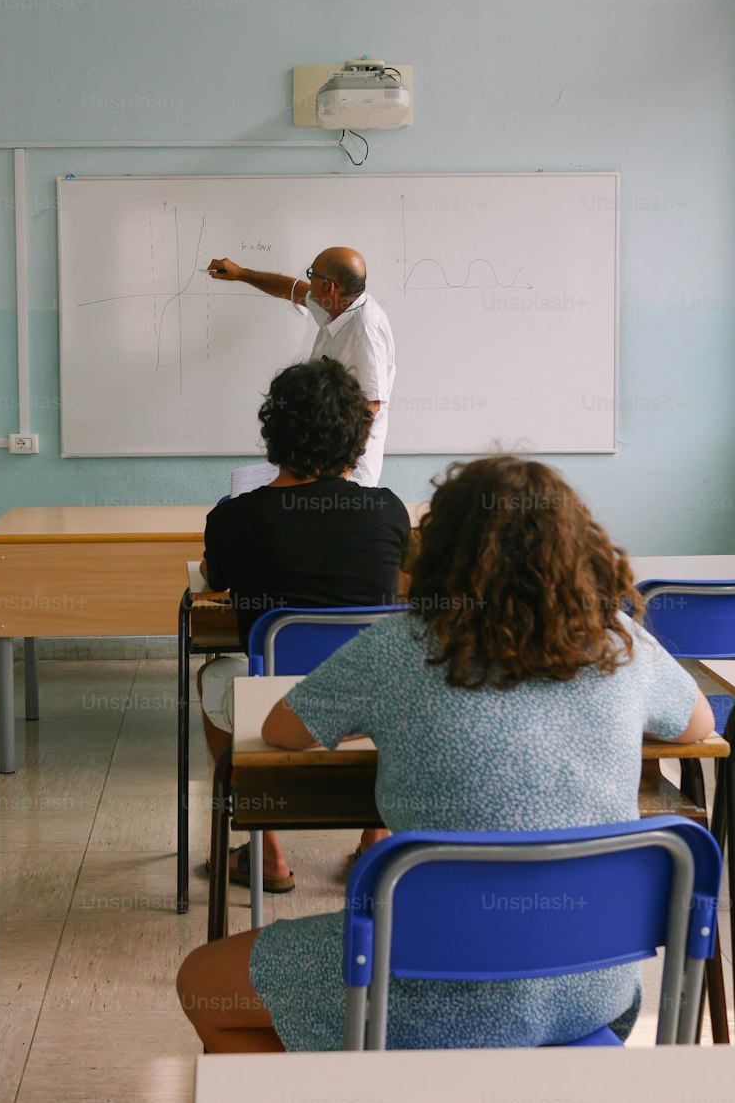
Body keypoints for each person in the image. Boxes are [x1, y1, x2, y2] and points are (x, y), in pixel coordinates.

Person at [178, 454, 714, 1053]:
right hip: (593, 988)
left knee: (202, 985)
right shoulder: (620, 642)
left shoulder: (398, 647)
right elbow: (699, 722)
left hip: (423, 986)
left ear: (439, 550)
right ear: (579, 547)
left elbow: (280, 731)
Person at [198, 357, 411, 892]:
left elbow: (212, 579)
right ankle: (375, 839)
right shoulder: (387, 511)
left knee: (212, 675)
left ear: (276, 433)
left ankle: (267, 852)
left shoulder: (235, 518)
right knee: (388, 664)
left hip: (276, 708)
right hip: (374, 707)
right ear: (356, 438)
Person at [206, 246, 394, 487]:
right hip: (319, 462)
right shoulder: (337, 304)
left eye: (312, 274)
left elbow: (371, 407)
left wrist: (344, 469)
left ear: (329, 287)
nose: (308, 280)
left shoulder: (366, 330)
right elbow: (291, 289)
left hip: (349, 471)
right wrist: (241, 273)